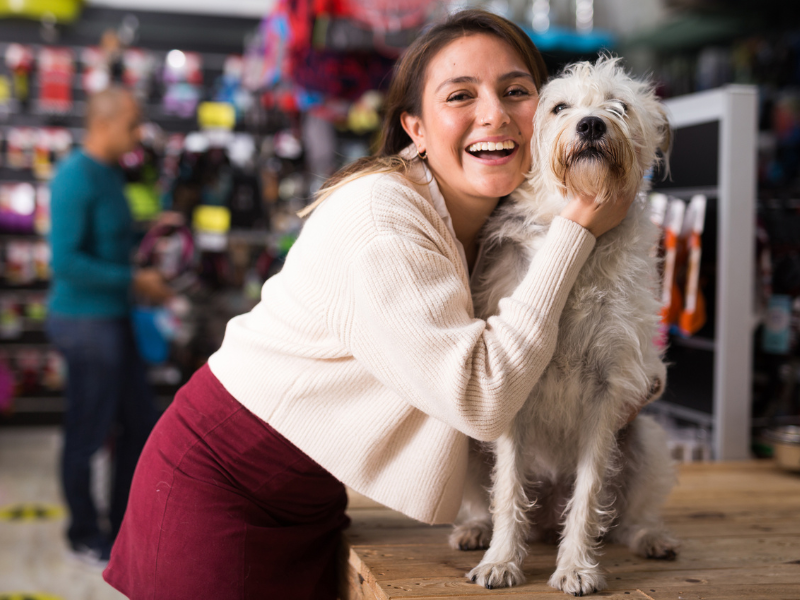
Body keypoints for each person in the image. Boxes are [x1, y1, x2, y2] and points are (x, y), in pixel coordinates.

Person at [104, 10, 638, 599]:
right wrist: (577, 228)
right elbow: (482, 396)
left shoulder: (491, 218)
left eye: (516, 91)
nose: (494, 114)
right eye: (461, 95)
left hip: (313, 501)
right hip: (222, 489)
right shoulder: (380, 220)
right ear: (415, 126)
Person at [46, 86, 173, 565]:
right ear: (103, 123)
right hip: (84, 323)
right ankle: (83, 531)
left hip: (113, 320)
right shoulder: (75, 177)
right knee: (88, 428)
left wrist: (153, 230)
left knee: (140, 424)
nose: (138, 134)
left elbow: (109, 241)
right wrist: (134, 280)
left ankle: (123, 526)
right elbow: (66, 262)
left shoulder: (109, 174)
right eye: (132, 124)